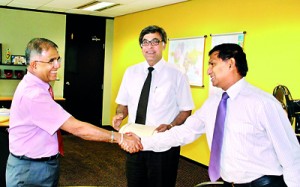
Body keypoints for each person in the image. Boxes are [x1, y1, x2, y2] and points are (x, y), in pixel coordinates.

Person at [139, 43, 300, 186]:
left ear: (230, 64)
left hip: (264, 183)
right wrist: (142, 143)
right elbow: (184, 132)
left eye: (212, 64)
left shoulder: (263, 104)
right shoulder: (213, 102)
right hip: (229, 182)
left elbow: (291, 155)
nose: (208, 70)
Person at [6, 38, 142, 187]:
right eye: (51, 61)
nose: (57, 65)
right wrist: (119, 138)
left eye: (58, 59)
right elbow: (77, 128)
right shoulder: (34, 95)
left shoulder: (36, 86)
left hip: (37, 165)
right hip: (31, 171)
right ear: (34, 65)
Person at [112, 25, 194, 187]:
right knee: (135, 183)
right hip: (135, 141)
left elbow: (186, 110)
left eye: (155, 42)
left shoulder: (177, 74)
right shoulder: (131, 72)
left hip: (163, 143)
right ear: (141, 46)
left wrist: (171, 125)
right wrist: (120, 114)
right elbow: (123, 104)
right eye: (145, 42)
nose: (150, 47)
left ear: (164, 45)